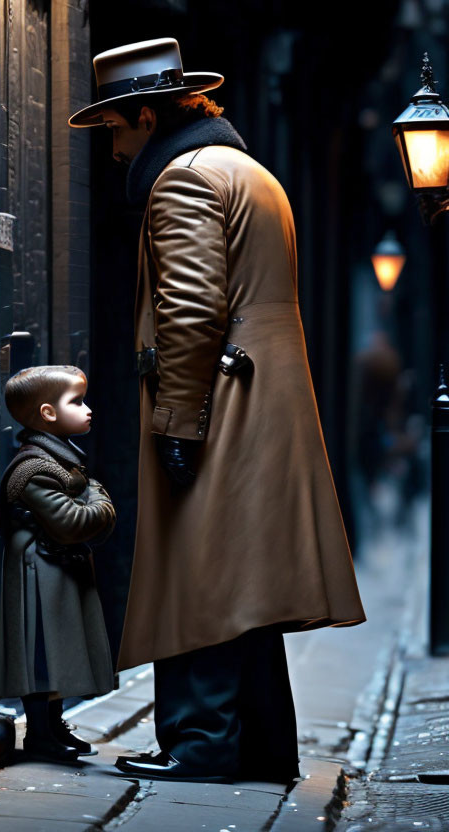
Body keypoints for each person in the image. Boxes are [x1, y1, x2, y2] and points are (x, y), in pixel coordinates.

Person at [68, 38, 366, 783]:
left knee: (199, 575)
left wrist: (176, 423)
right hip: (261, 399)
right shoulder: (248, 172)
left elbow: (192, 312)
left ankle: (201, 745)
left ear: (145, 113)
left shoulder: (184, 180)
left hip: (221, 401)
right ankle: (261, 748)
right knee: (246, 583)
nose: (113, 147)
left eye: (116, 127)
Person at [0, 365, 116, 763]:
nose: (88, 410)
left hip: (54, 569)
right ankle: (41, 734)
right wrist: (99, 497)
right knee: (40, 653)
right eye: (77, 402)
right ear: (48, 413)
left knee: (56, 653)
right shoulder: (35, 468)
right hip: (38, 572)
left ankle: (52, 727)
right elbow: (73, 522)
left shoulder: (58, 458)